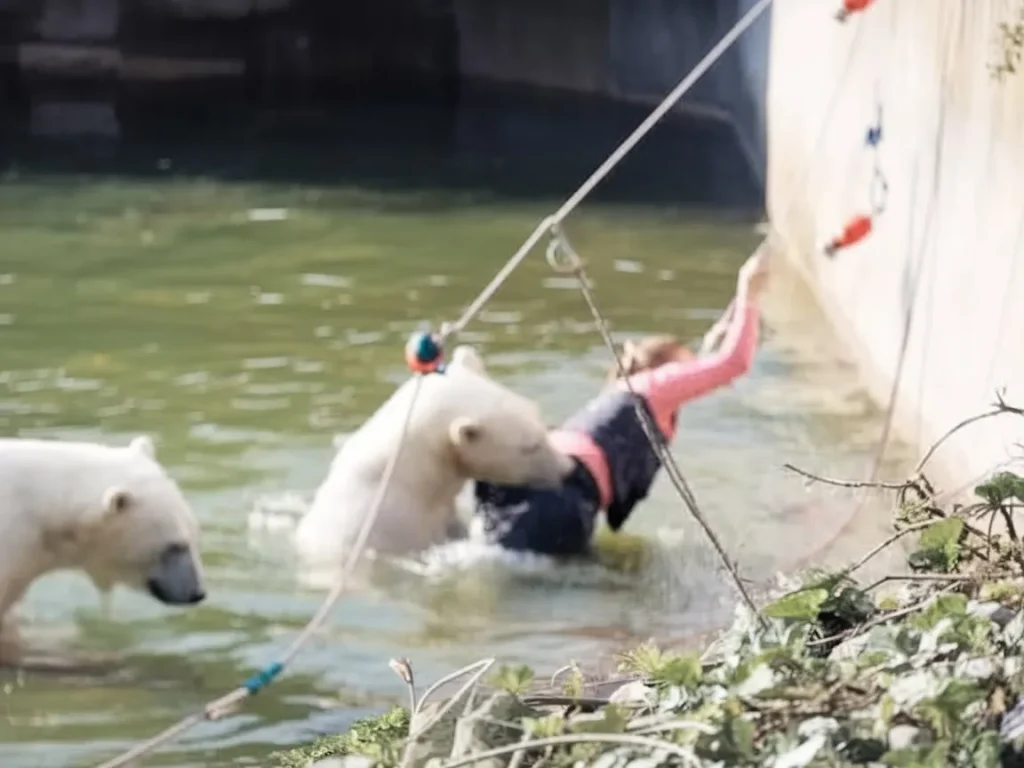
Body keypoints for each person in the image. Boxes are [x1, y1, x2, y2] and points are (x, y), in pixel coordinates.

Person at [472, 247, 771, 557]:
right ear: (668, 369)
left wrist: (731, 322)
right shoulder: (653, 387)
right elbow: (732, 364)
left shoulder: (625, 389)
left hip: (526, 490)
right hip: (560, 500)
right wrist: (748, 287)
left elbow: (713, 368)